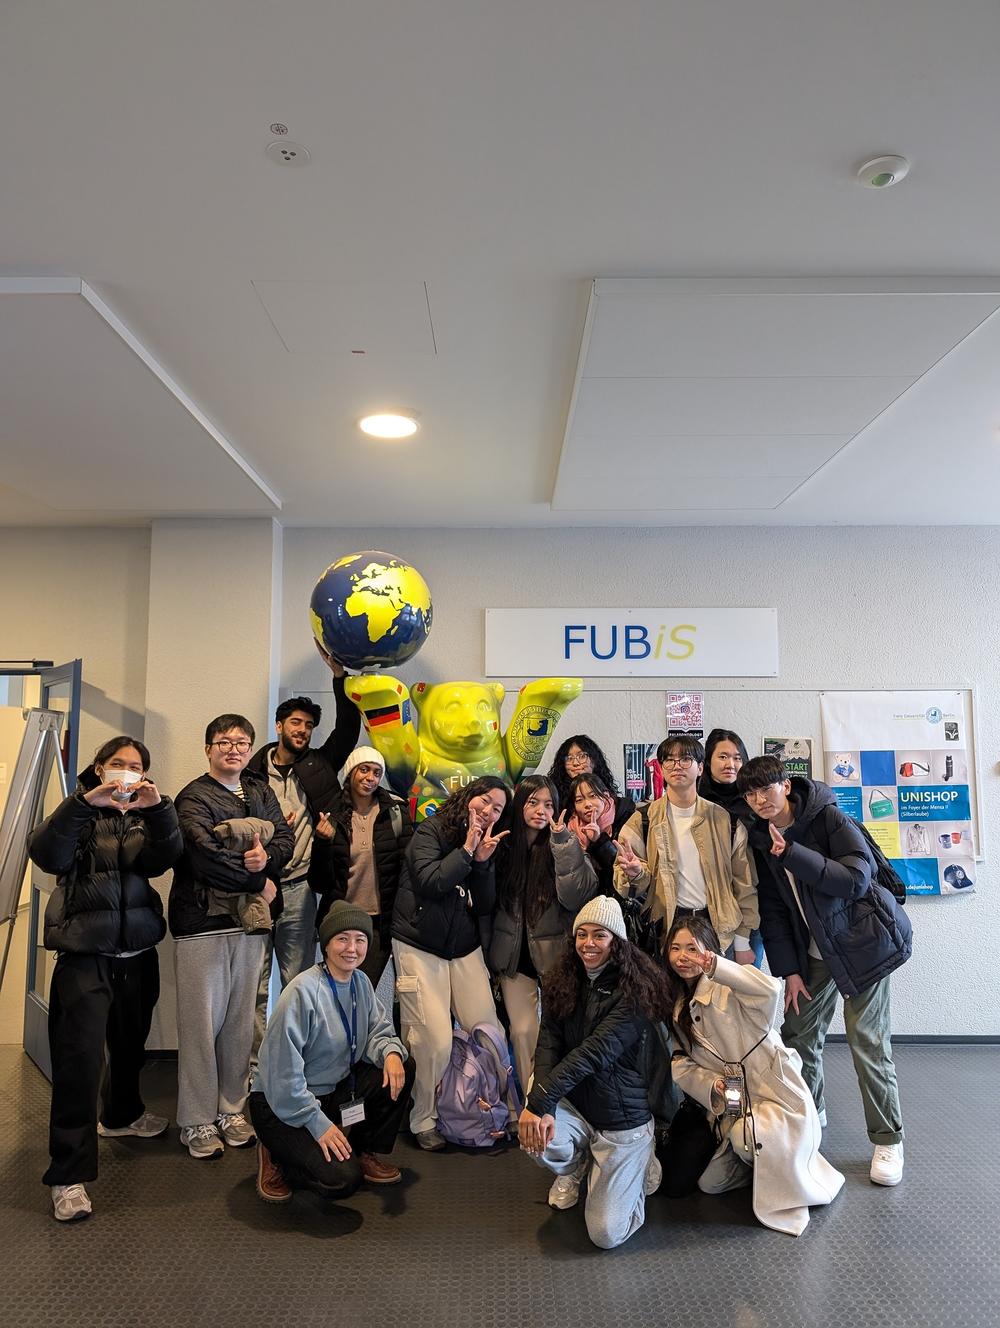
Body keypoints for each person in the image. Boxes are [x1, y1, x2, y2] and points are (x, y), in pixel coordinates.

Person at [736, 755, 912, 1186]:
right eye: (751, 794)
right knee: (798, 1034)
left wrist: (793, 854)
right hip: (815, 954)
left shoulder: (827, 817)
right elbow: (774, 911)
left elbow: (855, 879)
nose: (760, 799)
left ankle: (888, 1139)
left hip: (863, 946)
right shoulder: (761, 839)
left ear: (785, 785)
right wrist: (790, 971)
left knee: (866, 1040)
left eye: (766, 788)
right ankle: (811, 1115)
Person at [29, 737, 183, 1222]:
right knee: (79, 1062)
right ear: (99, 768)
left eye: (136, 766)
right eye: (118, 763)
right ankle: (68, 1175)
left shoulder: (145, 813)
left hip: (137, 952)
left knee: (131, 1045)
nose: (127, 772)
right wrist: (83, 804)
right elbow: (47, 854)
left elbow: (164, 858)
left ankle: (121, 1115)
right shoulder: (78, 810)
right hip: (85, 956)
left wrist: (158, 810)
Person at [664, 915, 845, 1236]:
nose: (683, 956)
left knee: (746, 1138)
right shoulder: (678, 1006)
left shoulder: (729, 987)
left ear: (709, 950)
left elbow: (770, 989)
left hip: (774, 1095)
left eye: (692, 948)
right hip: (734, 1104)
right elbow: (681, 1064)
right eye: (675, 948)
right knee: (710, 1184)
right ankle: (759, 1166)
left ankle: (782, 1162)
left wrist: (717, 966)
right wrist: (712, 1085)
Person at [170, 714, 294, 1159]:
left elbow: (284, 839)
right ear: (208, 749)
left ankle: (231, 1110)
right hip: (201, 922)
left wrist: (267, 859)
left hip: (249, 924)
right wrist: (257, 880)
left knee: (241, 1023)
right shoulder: (192, 797)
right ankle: (197, 1120)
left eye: (242, 742)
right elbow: (202, 856)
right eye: (224, 742)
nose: (234, 749)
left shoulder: (260, 790)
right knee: (201, 1026)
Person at [518, 895, 670, 1250]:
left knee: (605, 1234)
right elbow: (548, 1045)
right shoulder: (563, 980)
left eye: (599, 935)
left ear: (616, 941)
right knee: (536, 1136)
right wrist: (542, 1107)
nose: (589, 943)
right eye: (582, 934)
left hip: (622, 1119)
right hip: (580, 1106)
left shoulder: (635, 991)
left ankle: (640, 1164)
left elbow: (591, 1055)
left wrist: (539, 1102)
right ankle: (577, 1164)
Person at [249, 901, 414, 1204]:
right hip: (282, 1103)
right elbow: (283, 1078)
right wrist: (317, 1123)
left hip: (333, 1093)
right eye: (342, 938)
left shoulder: (360, 983)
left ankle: (363, 1151)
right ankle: (276, 1154)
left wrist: (391, 1052)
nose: (352, 948)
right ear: (326, 944)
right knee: (343, 1180)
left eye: (360, 939)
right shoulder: (301, 992)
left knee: (403, 1064)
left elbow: (377, 1032)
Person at [245, 647, 361, 1051]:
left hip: (298, 889)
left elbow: (347, 730)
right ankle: (257, 1067)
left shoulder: (318, 764)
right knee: (255, 983)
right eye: (296, 722)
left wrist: (339, 678)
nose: (303, 730)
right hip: (256, 888)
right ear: (279, 726)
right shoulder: (251, 772)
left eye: (309, 726)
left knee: (296, 981)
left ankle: (295, 1059)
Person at [391, 776, 510, 1150]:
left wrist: (483, 864)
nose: (488, 811)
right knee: (434, 1040)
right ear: (469, 796)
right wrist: (468, 850)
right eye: (485, 801)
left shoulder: (485, 843)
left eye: (497, 809)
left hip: (463, 945)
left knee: (490, 1032)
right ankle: (423, 1118)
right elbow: (431, 881)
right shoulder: (432, 829)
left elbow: (485, 904)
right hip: (418, 942)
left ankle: (486, 1107)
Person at [488, 775, 598, 1090]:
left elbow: (575, 897)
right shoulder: (503, 845)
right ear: (518, 804)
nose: (541, 811)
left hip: (556, 958)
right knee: (523, 1032)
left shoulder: (564, 842)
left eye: (549, 804)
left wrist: (562, 843)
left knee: (561, 1032)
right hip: (513, 959)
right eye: (533, 802)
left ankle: (558, 1099)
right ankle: (530, 1099)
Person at [614, 736, 757, 964]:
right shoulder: (642, 820)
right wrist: (635, 873)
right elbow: (624, 885)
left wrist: (742, 942)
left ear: (700, 768)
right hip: (665, 932)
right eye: (669, 760)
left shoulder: (725, 821)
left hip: (719, 931)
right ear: (661, 768)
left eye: (685, 759)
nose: (677, 765)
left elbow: (744, 883)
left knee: (716, 989)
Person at [317, 746, 413, 984]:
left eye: (377, 773)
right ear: (351, 772)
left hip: (380, 923)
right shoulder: (331, 813)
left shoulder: (395, 811)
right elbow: (319, 882)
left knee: (365, 988)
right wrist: (322, 843)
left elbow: (407, 869)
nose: (370, 778)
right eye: (364, 770)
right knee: (337, 988)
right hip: (341, 919)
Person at [697, 728, 765, 966]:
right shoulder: (696, 802)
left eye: (737, 758)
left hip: (752, 906)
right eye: (723, 756)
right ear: (707, 761)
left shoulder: (755, 800)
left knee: (746, 981)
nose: (730, 764)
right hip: (708, 909)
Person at [565, 772, 637, 897]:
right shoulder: (571, 828)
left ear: (605, 796)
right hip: (585, 899)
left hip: (617, 898)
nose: (587, 804)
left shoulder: (626, 819)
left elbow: (624, 869)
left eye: (593, 796)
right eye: (579, 800)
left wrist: (598, 840)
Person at [547, 734, 621, 812]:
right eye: (569, 758)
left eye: (582, 756)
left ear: (594, 760)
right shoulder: (554, 796)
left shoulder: (617, 804)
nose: (575, 763)